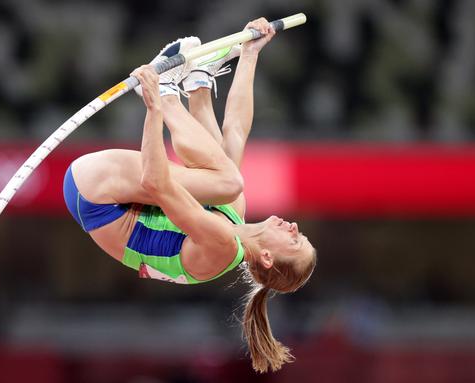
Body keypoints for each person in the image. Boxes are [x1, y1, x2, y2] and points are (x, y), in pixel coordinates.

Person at [63, 18, 316, 373]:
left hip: (97, 194)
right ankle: (199, 82)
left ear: (269, 258)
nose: (293, 226)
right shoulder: (234, 219)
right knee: (228, 169)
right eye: (299, 232)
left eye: (294, 240)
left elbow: (156, 182)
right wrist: (249, 54)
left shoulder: (224, 246)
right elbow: (236, 130)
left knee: (230, 181)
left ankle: (171, 91)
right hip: (115, 190)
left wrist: (156, 108)